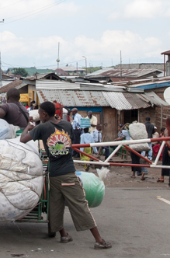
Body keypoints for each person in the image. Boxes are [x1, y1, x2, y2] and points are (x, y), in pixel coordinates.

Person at [20, 102, 111, 249]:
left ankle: (66, 235)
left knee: (57, 205)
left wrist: (28, 128)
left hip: (54, 174)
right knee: (79, 204)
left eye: (40, 113)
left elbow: (22, 139)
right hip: (68, 172)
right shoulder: (67, 126)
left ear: (44, 114)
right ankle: (97, 240)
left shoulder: (42, 128)